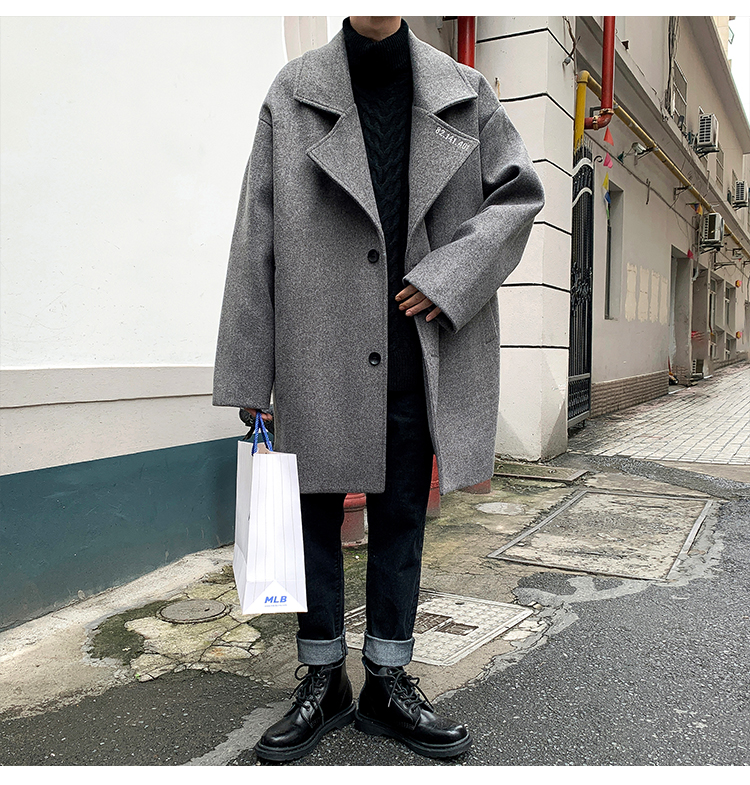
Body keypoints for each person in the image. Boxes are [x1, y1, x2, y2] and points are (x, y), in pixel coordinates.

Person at [213, 16, 545, 762]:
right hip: (318, 344)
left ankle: (387, 684)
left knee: (401, 517)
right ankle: (324, 677)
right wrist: (249, 369)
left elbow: (520, 195)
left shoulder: (466, 93)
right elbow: (255, 232)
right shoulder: (294, 92)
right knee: (312, 516)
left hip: (415, 349)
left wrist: (447, 276)